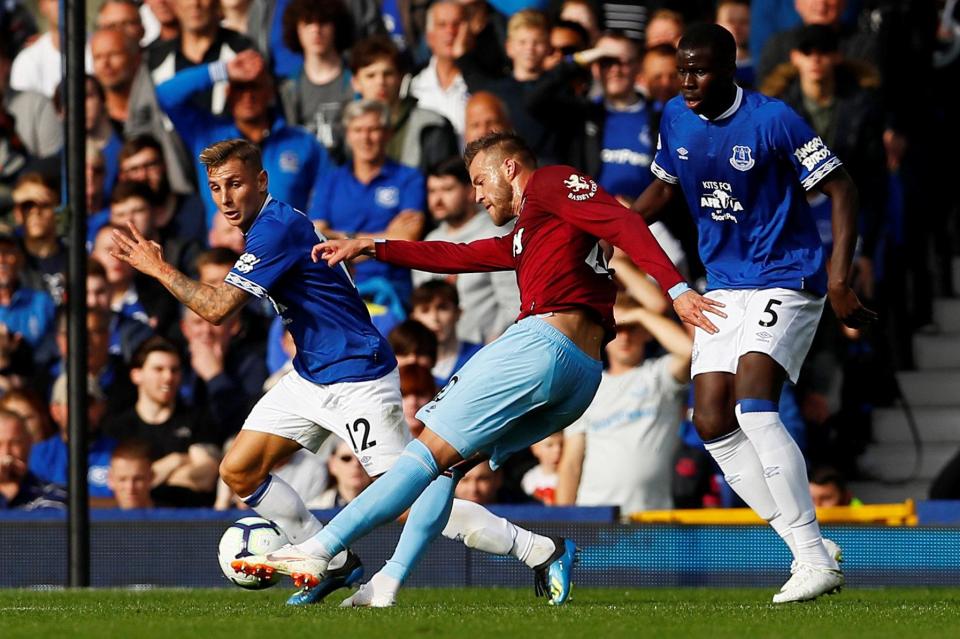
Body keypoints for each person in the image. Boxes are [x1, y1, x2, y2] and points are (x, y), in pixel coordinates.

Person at [109, 137, 581, 607]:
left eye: (235, 184)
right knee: (239, 470)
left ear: (261, 181)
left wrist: (157, 268)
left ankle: (539, 550)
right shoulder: (265, 228)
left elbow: (217, 309)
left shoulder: (276, 228)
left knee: (407, 502)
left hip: (359, 378)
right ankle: (334, 566)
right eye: (215, 188)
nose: (226, 198)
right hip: (312, 373)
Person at [299, 131, 704, 606]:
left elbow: (622, 221)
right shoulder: (531, 232)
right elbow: (459, 256)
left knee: (426, 450)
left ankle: (318, 548)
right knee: (448, 467)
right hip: (580, 375)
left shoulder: (552, 183)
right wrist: (374, 247)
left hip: (543, 344)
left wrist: (676, 289)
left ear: (509, 168)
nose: (476, 194)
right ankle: (387, 583)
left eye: (478, 181)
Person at [631, 24, 874, 602]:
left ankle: (814, 559)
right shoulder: (675, 117)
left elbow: (843, 189)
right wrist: (610, 230)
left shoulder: (773, 120)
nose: (686, 80)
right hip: (723, 283)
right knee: (711, 421)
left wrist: (840, 279)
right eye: (681, 68)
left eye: (699, 70)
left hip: (787, 276)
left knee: (756, 406)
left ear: (730, 68)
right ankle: (805, 545)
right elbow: (662, 191)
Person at [156, 49, 329, 225]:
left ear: (270, 92)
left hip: (288, 249)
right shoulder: (207, 134)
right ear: (228, 93)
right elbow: (165, 95)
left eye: (254, 86)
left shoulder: (302, 141)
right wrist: (224, 70)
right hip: (226, 249)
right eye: (240, 87)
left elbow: (326, 189)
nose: (248, 96)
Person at [556, 298, 692, 514]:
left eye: (632, 328)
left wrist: (640, 313)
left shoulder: (658, 375)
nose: (625, 337)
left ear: (647, 332)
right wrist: (562, 522)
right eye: (617, 329)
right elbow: (571, 463)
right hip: (593, 516)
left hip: (652, 516)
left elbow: (689, 351)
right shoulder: (586, 388)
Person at [308, 99, 426, 303]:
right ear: (348, 135)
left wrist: (342, 240)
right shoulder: (330, 180)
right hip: (338, 284)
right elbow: (317, 237)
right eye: (358, 130)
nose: (366, 138)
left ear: (388, 134)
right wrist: (382, 237)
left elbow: (406, 239)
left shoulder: (409, 178)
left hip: (391, 288)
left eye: (373, 130)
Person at [102, 336, 221, 507]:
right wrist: (178, 461)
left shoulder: (197, 420)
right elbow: (115, 483)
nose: (168, 377)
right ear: (137, 375)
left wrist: (147, 480)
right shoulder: (118, 427)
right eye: (158, 369)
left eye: (174, 370)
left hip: (188, 521)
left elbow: (206, 476)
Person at [411, 157, 519, 343]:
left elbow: (514, 304)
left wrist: (494, 345)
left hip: (486, 353)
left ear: (471, 192)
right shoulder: (429, 242)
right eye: (432, 191)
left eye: (447, 189)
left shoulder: (497, 237)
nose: (437, 199)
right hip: (439, 356)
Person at [277, 0, 355, 151]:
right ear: (297, 30)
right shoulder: (288, 88)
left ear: (336, 27)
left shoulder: (357, 80)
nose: (316, 30)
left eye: (323, 22)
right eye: (307, 23)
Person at [28, 374, 115, 502]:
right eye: (72, 403)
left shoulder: (120, 454)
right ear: (55, 411)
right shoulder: (36, 455)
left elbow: (131, 506)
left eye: (88, 403)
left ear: (101, 407)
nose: (81, 410)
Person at [408, 1, 470, 142]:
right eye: (442, 25)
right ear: (429, 37)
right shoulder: (413, 84)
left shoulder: (485, 81)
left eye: (456, 24)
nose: (450, 31)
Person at [409, 280, 482, 388]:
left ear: (458, 313)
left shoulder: (479, 356)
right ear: (414, 317)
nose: (434, 318)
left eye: (442, 308)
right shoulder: (404, 362)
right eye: (425, 310)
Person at [0, 409, 66, 510]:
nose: (6, 452)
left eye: (15, 443)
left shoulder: (54, 493)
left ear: (29, 443)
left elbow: (47, 522)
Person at [315, 440, 373, 508]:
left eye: (363, 458)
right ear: (332, 464)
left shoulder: (387, 507)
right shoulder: (314, 510)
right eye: (346, 458)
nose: (356, 464)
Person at [107, 439, 155, 509]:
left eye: (138, 479)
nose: (130, 488)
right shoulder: (96, 518)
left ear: (151, 477)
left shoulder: (172, 516)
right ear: (110, 479)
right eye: (122, 479)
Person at [522, 432, 562, 505]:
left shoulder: (567, 476)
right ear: (535, 448)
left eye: (562, 444)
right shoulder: (530, 478)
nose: (557, 450)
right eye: (549, 445)